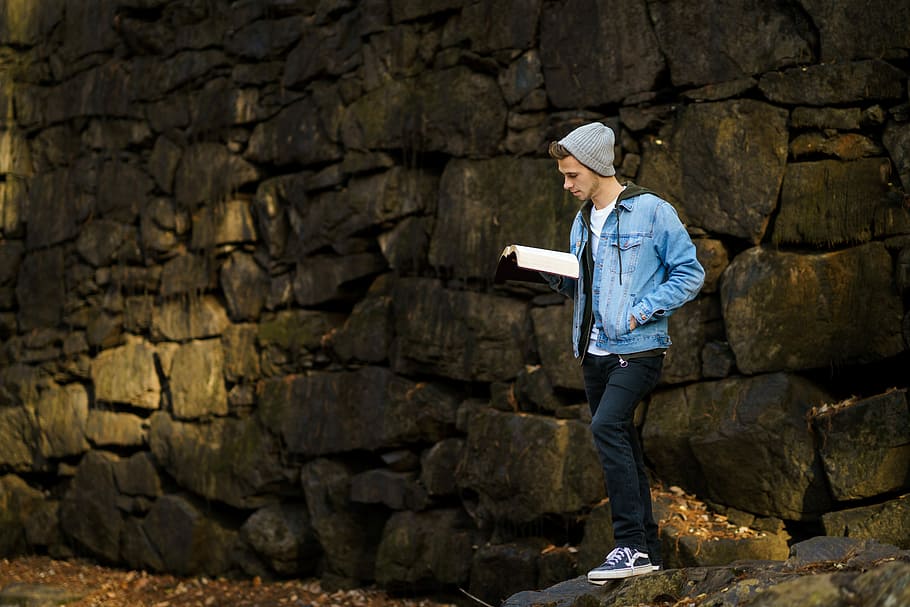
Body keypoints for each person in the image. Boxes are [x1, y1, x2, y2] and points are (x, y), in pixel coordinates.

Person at [544, 122, 704, 583]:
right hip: (592, 352)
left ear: (596, 167)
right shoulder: (581, 221)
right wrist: (543, 271)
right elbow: (587, 288)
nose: (567, 184)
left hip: (637, 348)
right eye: (564, 175)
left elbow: (690, 273)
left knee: (607, 426)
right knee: (624, 444)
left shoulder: (652, 212)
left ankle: (629, 544)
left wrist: (641, 311)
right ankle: (648, 552)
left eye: (572, 175)